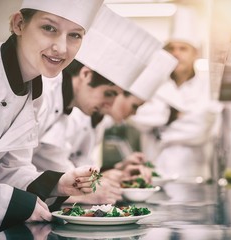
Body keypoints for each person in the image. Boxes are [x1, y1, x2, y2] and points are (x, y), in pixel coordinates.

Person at [0, 0, 104, 238]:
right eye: (49, 28)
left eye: (75, 35)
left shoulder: (33, 92)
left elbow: (5, 168)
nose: (61, 48)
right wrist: (13, 202)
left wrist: (57, 183)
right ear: (18, 24)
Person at [31, 5, 162, 205]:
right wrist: (88, 190)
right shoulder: (44, 95)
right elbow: (30, 168)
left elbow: (65, 167)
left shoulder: (67, 105)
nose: (110, 105)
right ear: (85, 74)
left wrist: (113, 174)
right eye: (109, 94)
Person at [130, 6, 223, 181]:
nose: (176, 53)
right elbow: (137, 117)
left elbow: (202, 129)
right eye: (172, 48)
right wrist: (175, 115)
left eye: (183, 48)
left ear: (195, 53)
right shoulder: (153, 83)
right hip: (155, 174)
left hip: (194, 176)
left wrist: (160, 130)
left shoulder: (207, 87)